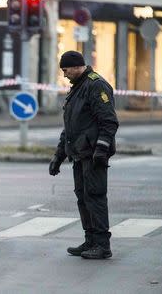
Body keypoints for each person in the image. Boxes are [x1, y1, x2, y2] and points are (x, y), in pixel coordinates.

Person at [49, 51, 119, 259]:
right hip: (80, 153)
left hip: (93, 155)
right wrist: (58, 156)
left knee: (95, 197)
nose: (64, 74)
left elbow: (109, 122)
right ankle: (90, 240)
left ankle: (102, 244)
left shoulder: (96, 85)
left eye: (66, 70)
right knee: (83, 197)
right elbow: (70, 128)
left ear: (77, 66)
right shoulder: (77, 89)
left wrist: (101, 150)